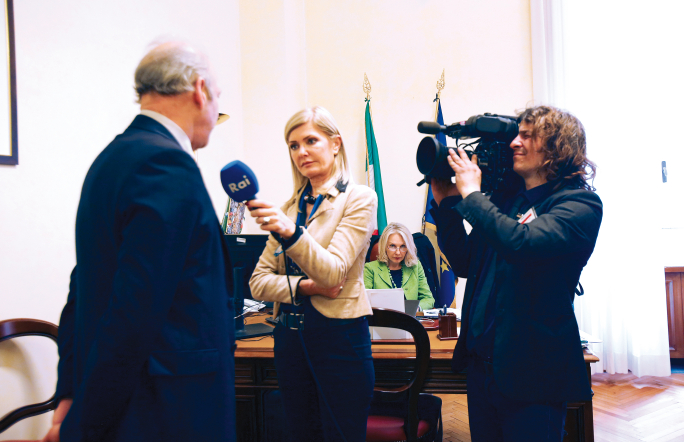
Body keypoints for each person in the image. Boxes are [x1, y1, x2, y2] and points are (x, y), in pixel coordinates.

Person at [45, 42, 235, 442]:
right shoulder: (166, 165)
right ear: (200, 90)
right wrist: (85, 423)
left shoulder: (112, 159)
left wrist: (70, 391)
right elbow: (134, 310)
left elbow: (84, 287)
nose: (217, 115)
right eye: (218, 98)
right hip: (166, 409)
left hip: (126, 400)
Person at [430, 105, 603, 441]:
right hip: (484, 368)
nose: (514, 143)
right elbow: (466, 263)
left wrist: (472, 194)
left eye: (527, 135)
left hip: (533, 372)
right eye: (516, 134)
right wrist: (449, 204)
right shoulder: (507, 203)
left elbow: (521, 244)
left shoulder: (579, 205)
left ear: (557, 146)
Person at [248, 106, 377, 442]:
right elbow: (258, 282)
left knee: (341, 434)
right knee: (299, 433)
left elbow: (333, 273)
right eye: (293, 145)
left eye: (310, 141)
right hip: (289, 340)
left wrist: (291, 234)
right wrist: (305, 286)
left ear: (335, 144)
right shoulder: (289, 208)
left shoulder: (358, 198)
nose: (301, 152)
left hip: (339, 338)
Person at [363, 222, 435, 310]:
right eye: (392, 246)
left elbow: (428, 299)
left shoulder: (415, 266)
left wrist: (416, 308)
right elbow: (364, 302)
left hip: (409, 321)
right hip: (382, 321)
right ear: (385, 246)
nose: (398, 252)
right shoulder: (370, 269)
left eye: (403, 246)